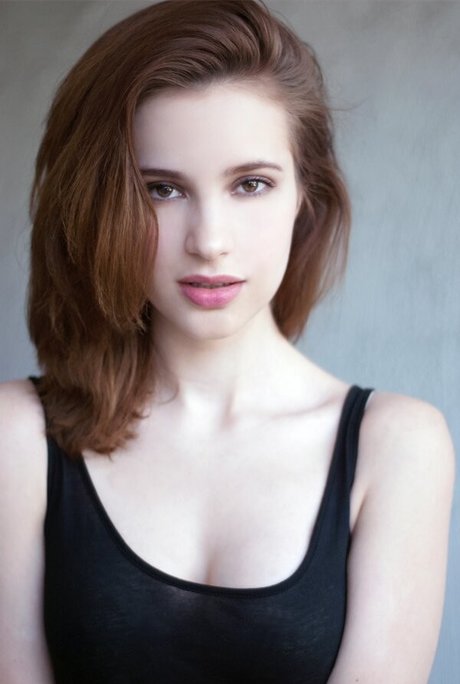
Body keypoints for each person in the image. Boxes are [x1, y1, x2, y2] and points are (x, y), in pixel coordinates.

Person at [0, 1, 454, 682]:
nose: (209, 241)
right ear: (98, 206)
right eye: (162, 190)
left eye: (251, 184)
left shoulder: (396, 446)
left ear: (304, 194)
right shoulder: (15, 438)